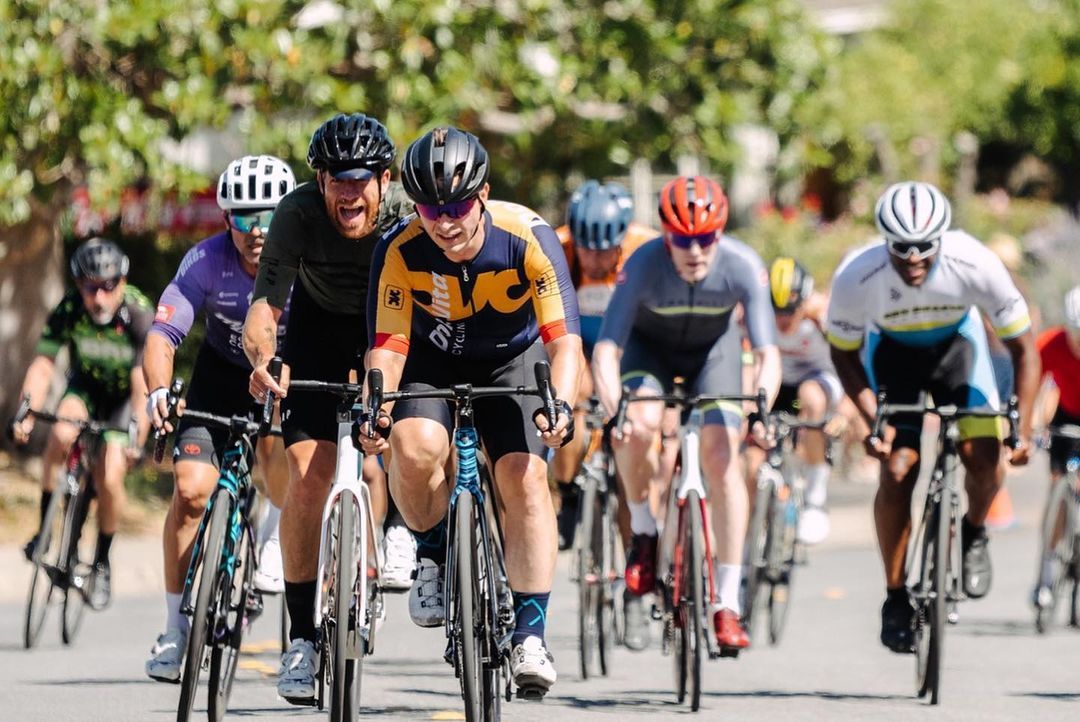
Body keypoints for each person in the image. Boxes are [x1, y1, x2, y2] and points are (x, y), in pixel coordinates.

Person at [360, 126, 582, 695]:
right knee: (413, 449)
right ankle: (433, 553)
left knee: (524, 478)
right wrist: (375, 408)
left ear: (482, 194)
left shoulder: (527, 235)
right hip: (431, 360)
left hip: (513, 359)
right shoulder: (399, 248)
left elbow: (564, 342)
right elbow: (387, 345)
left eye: (457, 205)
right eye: (430, 209)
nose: (445, 221)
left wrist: (560, 405)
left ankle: (530, 634)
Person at [242, 113, 414, 704]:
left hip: (389, 325)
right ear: (319, 181)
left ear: (384, 179)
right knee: (308, 477)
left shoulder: (406, 214)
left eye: (361, 178)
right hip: (316, 329)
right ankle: (302, 638)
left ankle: (402, 532)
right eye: (336, 179)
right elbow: (264, 307)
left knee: (404, 439)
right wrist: (264, 358)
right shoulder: (295, 214)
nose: (348, 192)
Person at [826, 181, 1038, 654]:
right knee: (899, 468)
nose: (915, 259)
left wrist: (1021, 428)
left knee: (983, 456)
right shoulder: (857, 275)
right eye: (902, 249)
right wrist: (872, 419)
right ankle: (895, 595)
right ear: (884, 242)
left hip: (958, 352)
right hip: (893, 357)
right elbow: (842, 353)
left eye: (925, 247)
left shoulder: (976, 261)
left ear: (943, 238)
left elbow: (1024, 349)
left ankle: (974, 532)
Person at [592, 175, 781, 653]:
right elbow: (607, 350)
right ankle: (644, 531)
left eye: (706, 238)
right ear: (666, 235)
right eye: (682, 240)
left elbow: (767, 354)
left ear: (720, 233)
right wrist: (617, 412)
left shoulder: (742, 264)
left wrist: (761, 408)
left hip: (715, 355)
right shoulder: (642, 264)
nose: (695, 251)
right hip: (649, 354)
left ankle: (728, 603)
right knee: (641, 426)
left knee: (723, 458)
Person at [143, 155, 295, 682]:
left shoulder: (304, 263)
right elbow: (163, 336)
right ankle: (174, 629)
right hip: (220, 376)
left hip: (284, 375)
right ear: (227, 218)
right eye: (245, 217)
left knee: (279, 448)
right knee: (190, 493)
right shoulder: (206, 261)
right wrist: (157, 391)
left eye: (270, 216)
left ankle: (273, 534)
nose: (258, 230)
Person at [13, 238, 153, 609]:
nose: (99, 297)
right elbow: (43, 364)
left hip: (123, 399)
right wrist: (27, 410)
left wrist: (137, 434)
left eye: (108, 286)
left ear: (122, 282)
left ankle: (102, 561)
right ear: (78, 286)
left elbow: (142, 382)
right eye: (90, 288)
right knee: (60, 434)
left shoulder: (138, 313)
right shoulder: (70, 308)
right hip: (86, 388)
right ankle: (44, 530)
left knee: (110, 474)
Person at [552, 180, 659, 650]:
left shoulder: (644, 250)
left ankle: (635, 588)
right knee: (569, 401)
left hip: (630, 349)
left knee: (629, 470)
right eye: (587, 250)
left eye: (605, 250)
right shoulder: (556, 248)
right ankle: (569, 493)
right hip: (578, 344)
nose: (595, 261)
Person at [762, 257, 842, 544]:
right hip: (779, 382)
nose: (783, 320)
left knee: (810, 396)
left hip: (819, 380)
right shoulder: (755, 314)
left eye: (791, 311)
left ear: (805, 301)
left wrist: (843, 413)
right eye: (776, 311)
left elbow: (851, 362)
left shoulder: (822, 316)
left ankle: (815, 500)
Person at [1031, 286, 1080, 607]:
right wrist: (1030, 427)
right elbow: (1032, 385)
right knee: (1057, 489)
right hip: (1067, 414)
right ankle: (1046, 574)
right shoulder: (1051, 343)